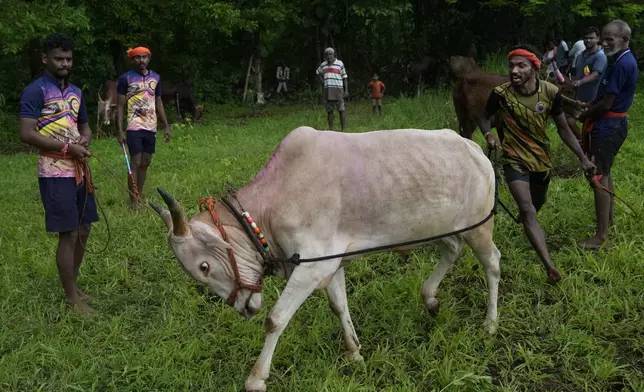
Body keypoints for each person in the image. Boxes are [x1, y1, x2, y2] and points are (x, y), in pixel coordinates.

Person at [479, 45, 595, 284]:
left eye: (521, 65)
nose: (514, 70)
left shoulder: (550, 92)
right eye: (511, 65)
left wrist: (583, 159)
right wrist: (489, 136)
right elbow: (483, 117)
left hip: (541, 159)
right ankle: (550, 266)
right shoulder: (500, 93)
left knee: (537, 202)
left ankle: (529, 221)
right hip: (514, 159)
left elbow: (563, 129)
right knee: (528, 210)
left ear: (534, 68)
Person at [19, 33, 97, 312]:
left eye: (68, 59)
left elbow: (85, 126)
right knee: (69, 234)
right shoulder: (36, 91)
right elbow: (27, 133)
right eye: (58, 58)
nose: (64, 63)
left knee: (84, 227)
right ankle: (71, 298)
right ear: (45, 59)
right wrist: (66, 148)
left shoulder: (75, 92)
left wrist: (84, 139)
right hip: (54, 172)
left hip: (80, 169)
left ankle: (73, 285)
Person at [578, 20, 639, 249]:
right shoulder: (616, 60)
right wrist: (589, 106)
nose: (604, 43)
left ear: (624, 39)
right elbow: (602, 97)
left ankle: (600, 237)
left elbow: (606, 104)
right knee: (606, 174)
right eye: (603, 38)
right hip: (609, 124)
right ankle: (607, 221)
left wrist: (583, 115)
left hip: (609, 126)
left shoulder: (624, 64)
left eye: (609, 39)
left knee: (599, 178)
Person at [116, 45, 171, 208]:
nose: (142, 60)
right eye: (138, 57)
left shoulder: (155, 77)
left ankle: (139, 194)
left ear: (149, 59)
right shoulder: (125, 78)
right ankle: (133, 199)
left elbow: (158, 101)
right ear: (133, 59)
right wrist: (119, 130)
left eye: (144, 57)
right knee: (135, 161)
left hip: (151, 126)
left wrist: (166, 125)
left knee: (146, 161)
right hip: (134, 126)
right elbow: (119, 105)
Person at [565, 26, 607, 138]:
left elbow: (595, 75)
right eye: (586, 38)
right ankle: (581, 142)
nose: (588, 40)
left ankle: (588, 146)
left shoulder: (600, 56)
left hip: (593, 98)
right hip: (579, 97)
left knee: (590, 126)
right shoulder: (580, 55)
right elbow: (576, 74)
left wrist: (580, 82)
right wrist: (572, 83)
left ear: (598, 38)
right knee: (569, 121)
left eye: (591, 38)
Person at [316, 47, 349, 131]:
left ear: (334, 54)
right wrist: (322, 81)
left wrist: (346, 90)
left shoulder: (340, 63)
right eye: (327, 54)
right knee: (329, 111)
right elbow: (317, 72)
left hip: (338, 90)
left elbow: (344, 77)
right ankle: (331, 129)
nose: (329, 56)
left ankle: (343, 129)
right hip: (328, 90)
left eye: (330, 54)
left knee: (341, 110)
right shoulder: (323, 64)